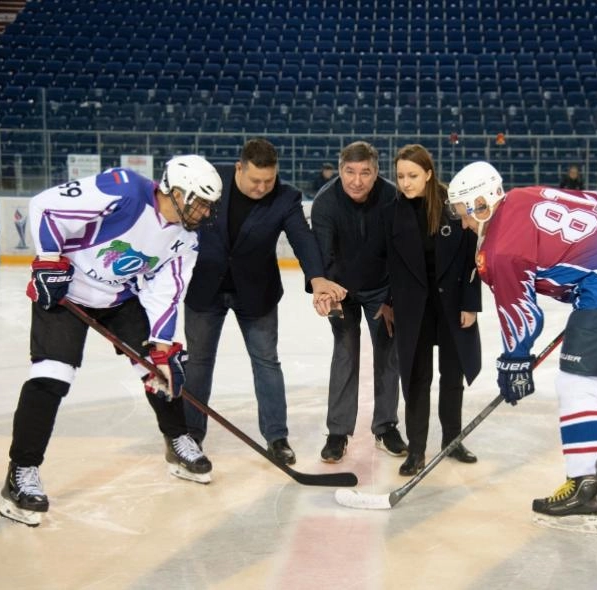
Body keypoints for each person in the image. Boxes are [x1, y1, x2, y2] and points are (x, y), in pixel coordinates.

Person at [0, 155, 223, 527]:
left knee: (161, 370)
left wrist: (161, 345)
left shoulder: (186, 239)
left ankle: (177, 440)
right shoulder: (125, 189)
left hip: (119, 298)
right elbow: (46, 207)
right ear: (176, 191)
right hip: (65, 291)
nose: (204, 212)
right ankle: (21, 473)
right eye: (199, 202)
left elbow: (167, 291)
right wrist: (50, 262)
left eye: (208, 205)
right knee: (52, 377)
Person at [445, 161, 597, 534]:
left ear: (481, 203)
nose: (464, 223)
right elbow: (596, 202)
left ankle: (584, 489)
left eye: (463, 213)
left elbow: (523, 315)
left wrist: (515, 361)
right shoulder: (519, 197)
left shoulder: (500, 248)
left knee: (577, 381)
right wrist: (588, 280)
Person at [183, 138, 346, 466]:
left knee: (266, 362)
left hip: (256, 293)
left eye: (268, 181)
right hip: (205, 288)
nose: (261, 187)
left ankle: (277, 438)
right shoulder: (211, 181)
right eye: (255, 180)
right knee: (198, 363)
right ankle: (190, 435)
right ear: (239, 168)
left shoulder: (285, 197)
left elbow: (302, 238)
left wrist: (317, 279)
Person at [384, 145, 482, 476]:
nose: (405, 182)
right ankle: (416, 451)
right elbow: (385, 263)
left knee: (452, 376)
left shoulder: (454, 207)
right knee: (416, 379)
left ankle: (452, 442)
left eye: (412, 175)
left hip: (452, 305)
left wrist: (470, 304)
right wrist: (386, 301)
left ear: (428, 174)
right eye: (400, 176)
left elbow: (471, 259)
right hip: (413, 309)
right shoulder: (391, 212)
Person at [310, 141, 407, 463]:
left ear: (376, 173)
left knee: (388, 353)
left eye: (365, 172)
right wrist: (327, 294)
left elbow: (400, 253)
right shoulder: (325, 203)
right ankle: (338, 432)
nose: (356, 180)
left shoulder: (392, 197)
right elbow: (322, 256)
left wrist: (393, 298)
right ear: (340, 170)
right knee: (345, 352)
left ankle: (386, 427)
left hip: (382, 289)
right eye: (349, 172)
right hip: (341, 290)